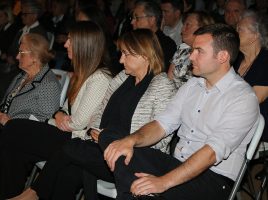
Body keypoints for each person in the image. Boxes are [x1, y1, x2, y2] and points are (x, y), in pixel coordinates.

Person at [11, 28, 177, 200]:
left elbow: (161, 135)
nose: (120, 60)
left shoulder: (162, 85)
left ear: (144, 55)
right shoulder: (122, 78)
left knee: (69, 147)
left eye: (126, 54)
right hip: (99, 146)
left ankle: (32, 194)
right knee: (69, 172)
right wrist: (94, 132)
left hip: (131, 158)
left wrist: (121, 141)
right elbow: (100, 112)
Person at [100, 23, 260, 200]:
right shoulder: (192, 85)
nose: (191, 56)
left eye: (199, 51)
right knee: (116, 141)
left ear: (222, 57)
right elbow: (162, 124)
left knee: (133, 177)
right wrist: (131, 140)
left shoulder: (243, 98)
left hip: (213, 179)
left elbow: (211, 153)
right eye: (193, 50)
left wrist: (163, 182)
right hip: (176, 164)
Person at [0, 21, 114, 200]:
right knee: (14, 148)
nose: (65, 44)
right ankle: (9, 195)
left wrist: (56, 117)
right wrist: (58, 115)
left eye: (70, 40)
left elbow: (77, 123)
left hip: (77, 141)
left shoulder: (100, 78)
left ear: (84, 45)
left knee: (14, 128)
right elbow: (62, 111)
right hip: (64, 133)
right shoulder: (82, 74)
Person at [234, 11, 268, 177]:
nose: (235, 32)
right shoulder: (235, 60)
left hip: (257, 129)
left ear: (255, 36)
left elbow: (253, 100)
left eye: (239, 29)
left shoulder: (266, 61)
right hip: (233, 121)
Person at [168, 11, 215, 88]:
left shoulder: (208, 53)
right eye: (184, 25)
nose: (182, 29)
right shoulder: (182, 49)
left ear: (202, 28)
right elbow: (169, 79)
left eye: (188, 25)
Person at [131, 0, 176, 72]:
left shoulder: (166, 45)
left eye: (137, 18)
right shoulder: (133, 39)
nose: (132, 22)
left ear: (152, 20)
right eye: (132, 18)